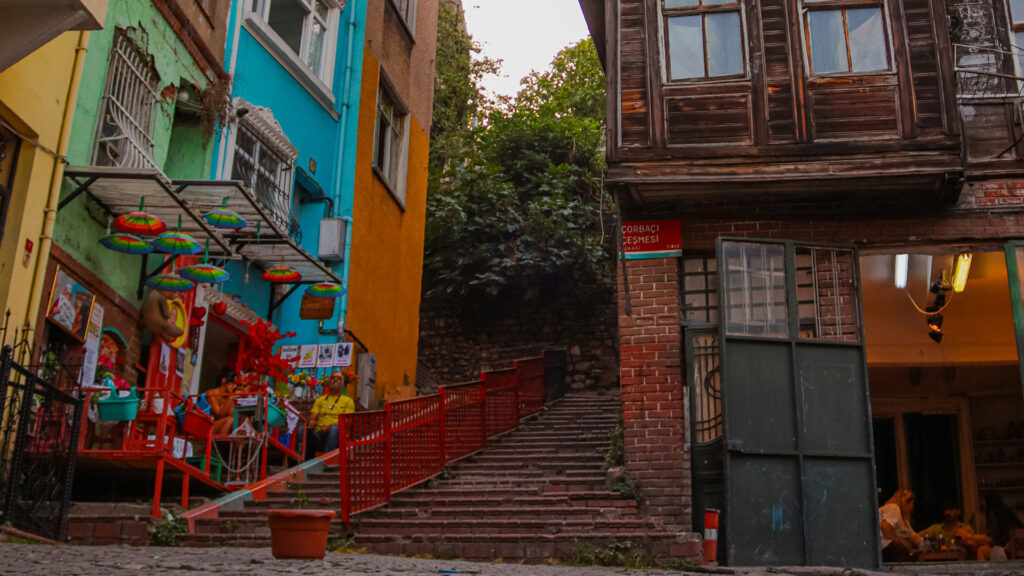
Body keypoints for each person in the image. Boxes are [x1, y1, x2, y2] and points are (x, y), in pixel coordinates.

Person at [920, 502, 992, 560]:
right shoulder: (936, 528)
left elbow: (974, 547)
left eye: (950, 510)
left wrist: (966, 542)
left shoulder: (966, 529)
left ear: (958, 512)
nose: (947, 513)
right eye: (945, 510)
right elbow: (917, 537)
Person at [307, 372, 354, 456]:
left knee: (334, 430)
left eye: (339, 379)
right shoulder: (320, 399)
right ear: (328, 382)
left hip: (337, 433)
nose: (335, 380)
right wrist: (311, 422)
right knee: (301, 430)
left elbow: (347, 422)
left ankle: (327, 461)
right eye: (333, 378)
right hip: (319, 432)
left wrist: (332, 425)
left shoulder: (348, 401)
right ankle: (300, 463)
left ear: (342, 384)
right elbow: (313, 416)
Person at [880, 488, 922, 562]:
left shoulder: (904, 519)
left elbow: (914, 537)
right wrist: (901, 542)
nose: (912, 507)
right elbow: (885, 527)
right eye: (912, 504)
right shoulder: (893, 508)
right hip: (884, 547)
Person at [207, 368, 240, 435]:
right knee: (229, 420)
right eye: (231, 383)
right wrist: (231, 398)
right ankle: (221, 444)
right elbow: (219, 414)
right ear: (224, 380)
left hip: (221, 426)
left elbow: (233, 416)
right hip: (208, 425)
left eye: (235, 385)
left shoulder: (230, 396)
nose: (234, 387)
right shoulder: (211, 394)